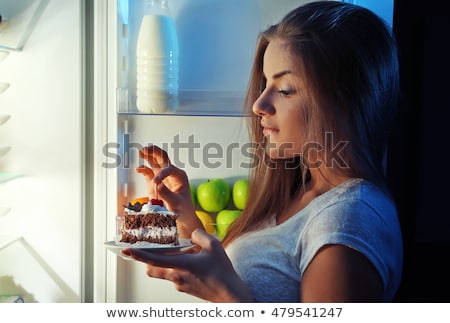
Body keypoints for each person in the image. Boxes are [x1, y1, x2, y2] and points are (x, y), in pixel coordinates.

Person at [122, 1, 403, 302]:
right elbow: (254, 283)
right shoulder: (307, 190)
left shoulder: (347, 224)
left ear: (346, 100)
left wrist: (225, 295)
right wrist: (188, 220)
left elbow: (238, 294)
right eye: (266, 83)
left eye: (285, 89)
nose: (258, 105)